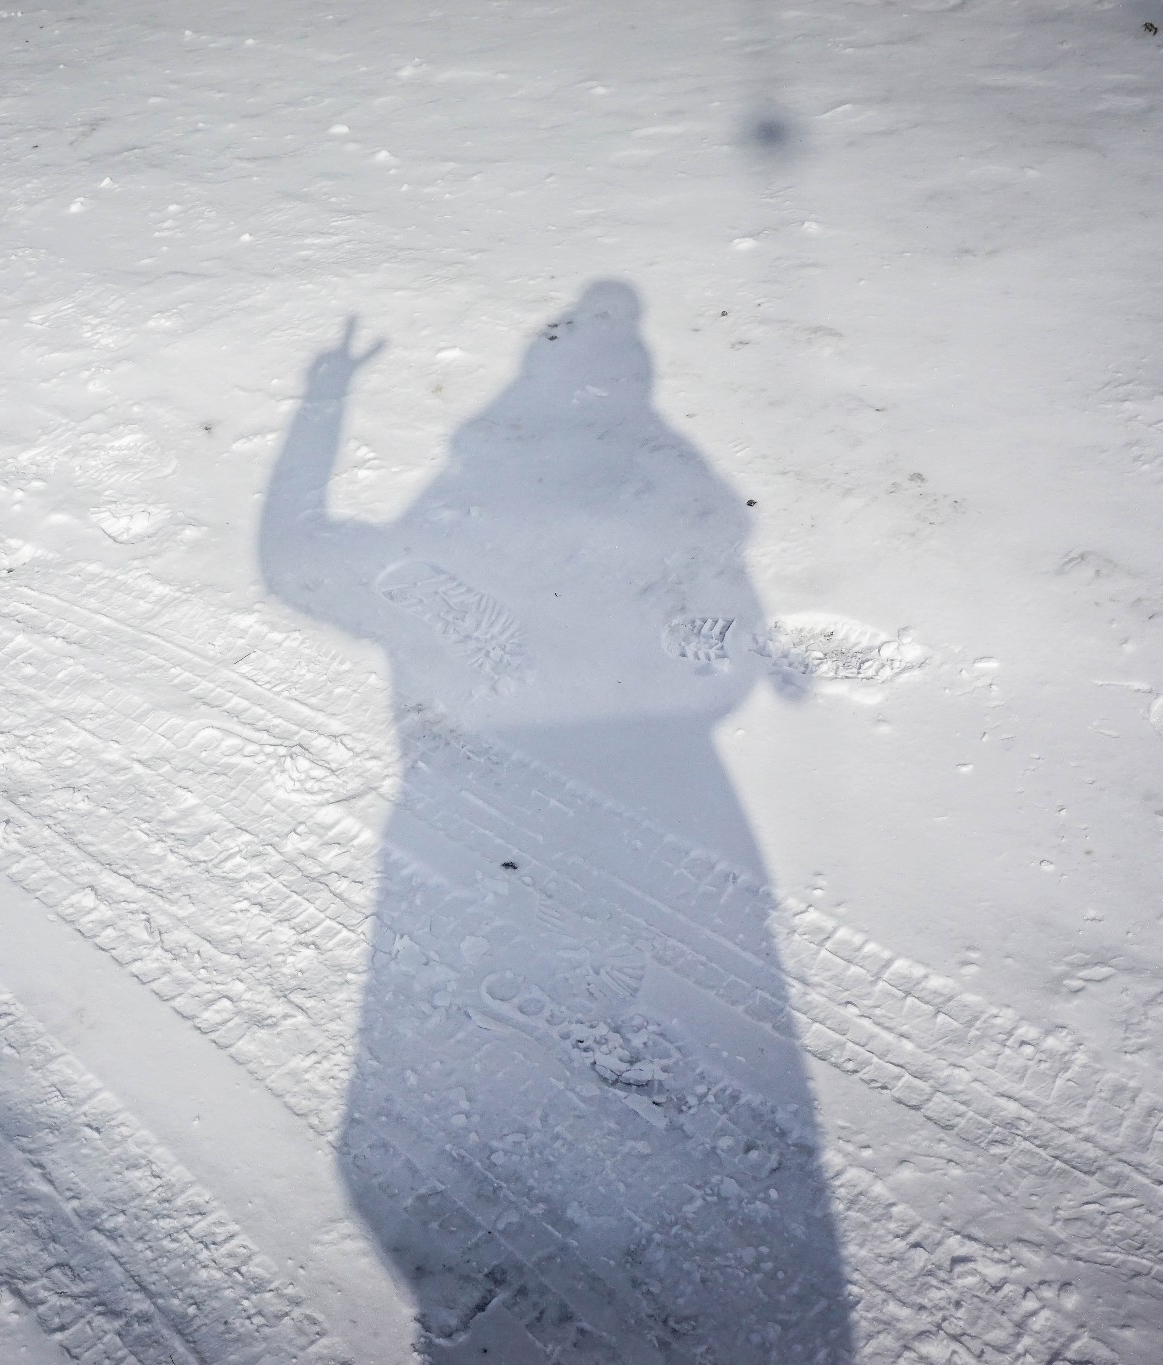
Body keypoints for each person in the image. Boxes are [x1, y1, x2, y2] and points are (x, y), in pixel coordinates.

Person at [259, 282, 853, 1363]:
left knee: (500, 1095)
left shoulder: (459, 520)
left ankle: (530, 1292)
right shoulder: (673, 502)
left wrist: (322, 404)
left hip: (482, 836)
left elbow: (295, 560)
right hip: (664, 835)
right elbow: (714, 653)